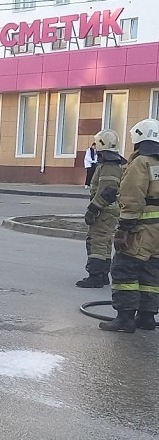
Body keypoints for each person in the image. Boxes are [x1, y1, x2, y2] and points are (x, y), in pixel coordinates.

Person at [99, 118, 159, 333]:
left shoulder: (141, 162)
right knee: (151, 272)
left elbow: (133, 197)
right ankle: (147, 317)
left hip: (141, 229)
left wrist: (123, 230)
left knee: (125, 268)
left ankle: (124, 319)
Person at [79, 129, 126, 288]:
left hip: (104, 209)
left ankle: (96, 276)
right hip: (110, 209)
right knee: (104, 242)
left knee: (97, 241)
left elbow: (107, 191)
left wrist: (93, 208)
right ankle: (103, 275)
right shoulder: (111, 162)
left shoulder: (110, 165)